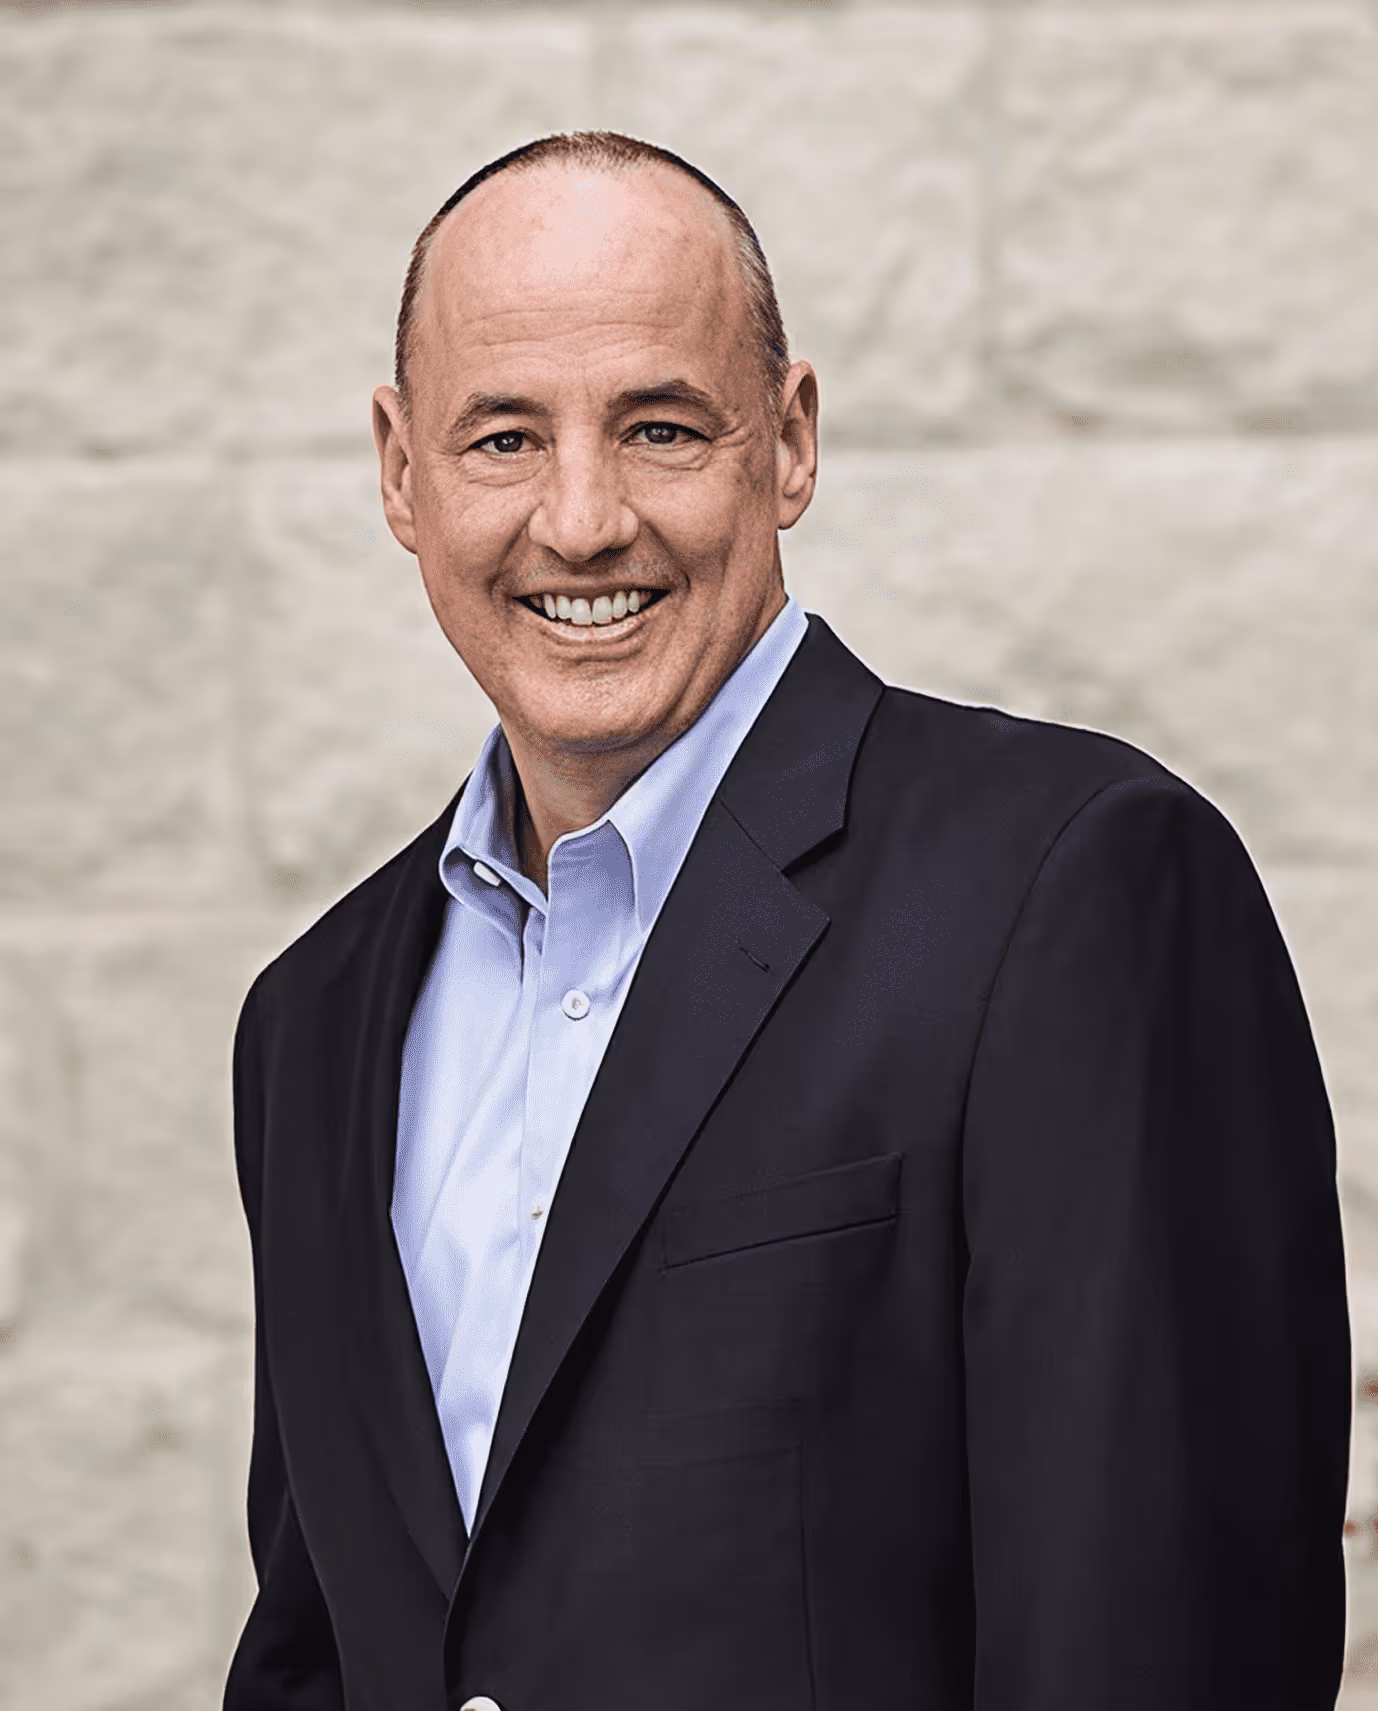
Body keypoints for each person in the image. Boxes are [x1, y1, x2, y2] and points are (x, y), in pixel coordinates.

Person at [224, 131, 1350, 1711]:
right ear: (400, 473)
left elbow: (1159, 1648)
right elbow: (321, 1651)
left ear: (792, 442)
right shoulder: (313, 1020)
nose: (581, 519)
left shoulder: (1073, 888)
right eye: (500, 440)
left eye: (660, 427)